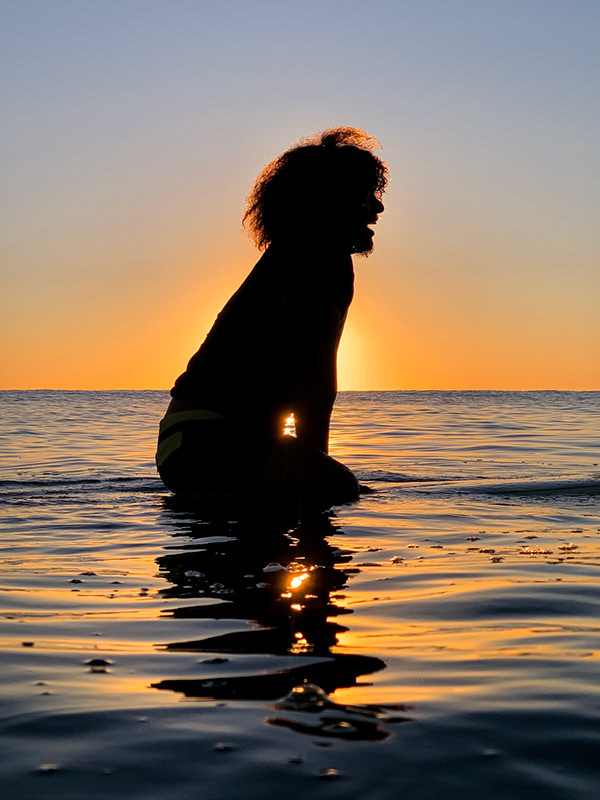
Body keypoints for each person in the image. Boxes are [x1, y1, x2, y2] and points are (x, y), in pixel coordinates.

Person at [156, 127, 387, 509]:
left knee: (340, 490)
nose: (377, 209)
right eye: (367, 195)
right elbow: (315, 382)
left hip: (198, 443)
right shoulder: (318, 257)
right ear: (334, 200)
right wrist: (317, 472)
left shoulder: (302, 254)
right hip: (202, 441)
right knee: (337, 489)